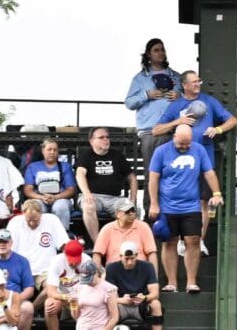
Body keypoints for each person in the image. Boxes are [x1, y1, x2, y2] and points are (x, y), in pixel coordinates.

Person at [141, 122, 219, 295]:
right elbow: (153, 179)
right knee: (170, 242)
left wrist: (217, 192)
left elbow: (209, 172)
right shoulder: (161, 151)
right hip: (168, 206)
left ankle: (191, 282)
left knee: (193, 240)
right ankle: (172, 282)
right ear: (174, 137)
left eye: (187, 143)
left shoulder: (198, 150)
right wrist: (154, 203)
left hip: (191, 205)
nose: (184, 147)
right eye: (181, 143)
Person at [69, 135, 130, 253]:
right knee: (88, 206)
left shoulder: (117, 156)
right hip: (93, 196)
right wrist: (87, 193)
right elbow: (80, 174)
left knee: (129, 209)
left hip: (115, 198)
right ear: (92, 141)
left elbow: (132, 177)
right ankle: (98, 245)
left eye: (107, 137)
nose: (106, 139)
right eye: (101, 137)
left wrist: (132, 198)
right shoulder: (86, 155)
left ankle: (124, 245)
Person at [101, 237, 157, 330]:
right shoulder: (111, 268)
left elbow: (155, 293)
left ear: (137, 255)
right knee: (105, 306)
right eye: (126, 259)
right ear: (120, 256)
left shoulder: (148, 266)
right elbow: (106, 296)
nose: (130, 262)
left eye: (132, 258)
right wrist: (121, 300)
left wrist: (144, 298)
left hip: (140, 304)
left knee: (156, 304)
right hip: (120, 305)